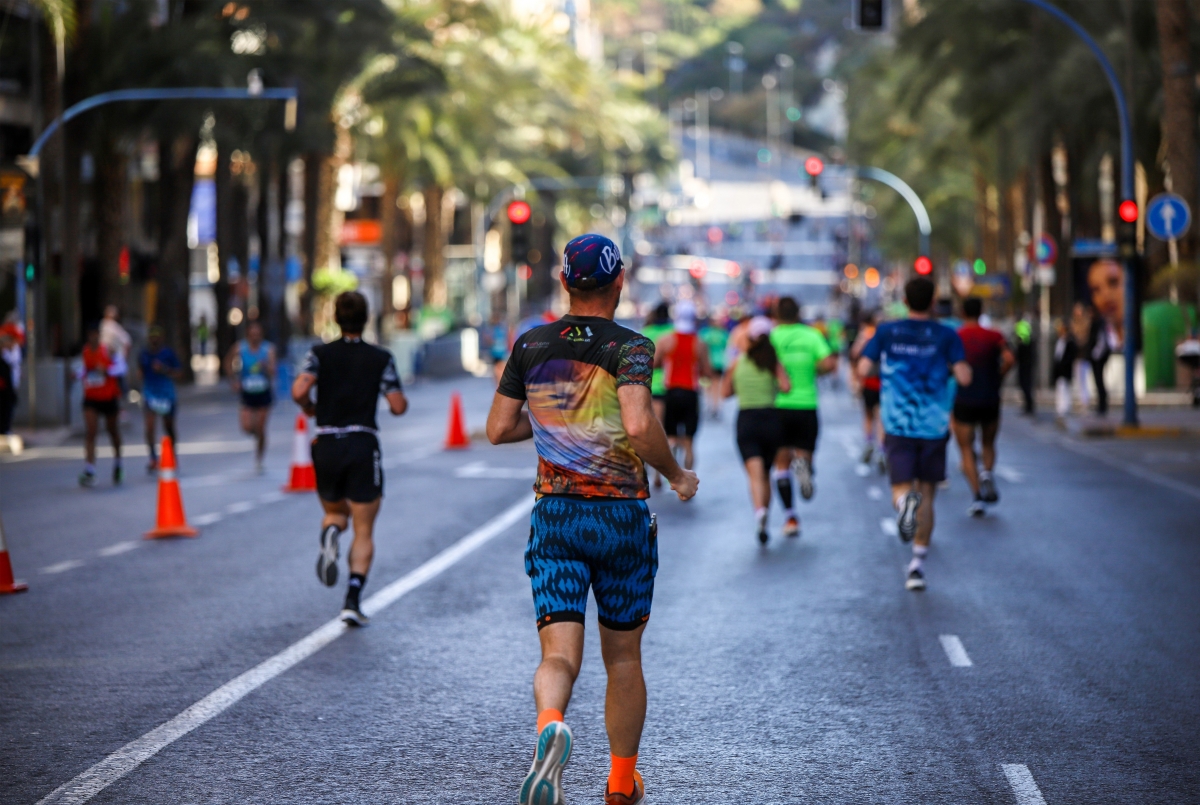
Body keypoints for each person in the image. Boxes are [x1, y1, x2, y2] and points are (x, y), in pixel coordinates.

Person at [486, 234, 698, 805]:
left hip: (554, 514)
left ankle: (549, 724)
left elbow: (498, 427)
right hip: (621, 517)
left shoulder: (531, 343)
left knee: (557, 655)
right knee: (624, 657)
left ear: (564, 282)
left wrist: (561, 426)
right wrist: (676, 474)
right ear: (619, 282)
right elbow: (637, 425)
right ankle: (621, 782)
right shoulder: (631, 348)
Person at [291, 291, 407, 626]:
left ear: (336, 319)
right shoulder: (380, 358)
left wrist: (310, 408)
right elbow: (397, 406)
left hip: (325, 442)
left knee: (334, 513)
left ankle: (330, 533)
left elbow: (300, 390)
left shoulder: (319, 354)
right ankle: (352, 599)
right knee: (364, 528)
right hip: (361, 443)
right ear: (366, 318)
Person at [857, 278, 971, 592]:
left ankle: (905, 502)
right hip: (934, 426)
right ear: (933, 301)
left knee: (901, 488)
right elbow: (964, 376)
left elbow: (864, 369)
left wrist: (891, 369)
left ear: (905, 300)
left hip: (897, 424)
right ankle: (917, 565)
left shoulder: (887, 332)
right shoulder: (947, 335)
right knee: (929, 495)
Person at [769, 296, 837, 538]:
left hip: (779, 405)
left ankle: (790, 518)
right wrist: (812, 368)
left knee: (780, 464)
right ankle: (805, 466)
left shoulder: (772, 336)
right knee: (805, 453)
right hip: (807, 404)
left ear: (777, 314)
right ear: (798, 313)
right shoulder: (811, 335)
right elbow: (830, 364)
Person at [723, 316, 790, 544]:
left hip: (746, 420)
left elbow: (724, 393)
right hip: (771, 420)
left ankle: (759, 511)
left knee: (755, 474)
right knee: (767, 473)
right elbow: (786, 386)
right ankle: (766, 515)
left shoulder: (738, 362)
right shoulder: (773, 362)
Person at [952, 298, 1014, 517]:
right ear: (982, 311)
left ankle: (977, 496)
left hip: (964, 399)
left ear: (961, 312)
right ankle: (987, 472)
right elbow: (1009, 358)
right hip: (990, 397)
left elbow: (949, 365)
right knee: (988, 443)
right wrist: (999, 375)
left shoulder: (956, 336)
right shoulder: (995, 335)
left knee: (966, 448)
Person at [654, 300, 713, 474]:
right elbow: (708, 372)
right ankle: (688, 479)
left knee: (670, 436)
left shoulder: (666, 340)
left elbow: (655, 363)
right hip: (690, 393)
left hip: (671, 392)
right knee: (689, 442)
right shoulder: (700, 343)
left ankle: (666, 468)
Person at [77, 323, 128, 486]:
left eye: (95, 334)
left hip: (108, 397)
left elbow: (121, 368)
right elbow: (86, 370)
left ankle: (118, 463)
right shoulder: (85, 351)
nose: (93, 337)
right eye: (90, 334)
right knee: (91, 432)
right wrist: (77, 375)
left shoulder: (109, 350)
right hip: (91, 397)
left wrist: (107, 371)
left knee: (113, 431)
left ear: (99, 335)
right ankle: (89, 469)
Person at [225, 321, 277, 473]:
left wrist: (266, 366)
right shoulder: (240, 347)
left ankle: (259, 459)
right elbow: (228, 362)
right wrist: (233, 381)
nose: (255, 338)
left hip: (263, 392)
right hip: (247, 392)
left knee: (261, 427)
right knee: (247, 427)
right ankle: (258, 435)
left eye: (257, 335)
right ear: (247, 335)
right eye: (252, 335)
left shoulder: (268, 349)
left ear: (261, 335)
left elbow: (274, 371)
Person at [138, 325, 183, 473]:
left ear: (161, 338)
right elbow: (140, 372)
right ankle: (152, 457)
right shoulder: (144, 354)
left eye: (157, 337)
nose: (154, 340)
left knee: (168, 426)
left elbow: (179, 373)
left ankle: (172, 454)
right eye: (152, 337)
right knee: (149, 426)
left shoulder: (168, 354)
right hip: (150, 394)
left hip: (166, 395)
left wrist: (164, 369)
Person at [641, 303, 673, 489]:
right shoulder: (674, 332)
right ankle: (662, 473)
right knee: (665, 432)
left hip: (648, 384)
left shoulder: (646, 331)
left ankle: (648, 471)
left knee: (647, 429)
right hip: (670, 385)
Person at [849, 310, 884, 468]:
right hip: (883, 382)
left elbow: (855, 353)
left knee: (868, 415)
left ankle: (869, 442)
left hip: (869, 381)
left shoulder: (866, 334)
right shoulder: (885, 336)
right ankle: (882, 450)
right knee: (881, 418)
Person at [699, 315, 729, 419]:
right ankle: (716, 407)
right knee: (717, 385)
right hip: (719, 362)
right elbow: (726, 346)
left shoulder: (705, 334)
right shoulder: (723, 334)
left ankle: (709, 405)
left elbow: (701, 348)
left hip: (707, 363)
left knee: (707, 386)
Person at [1053, 318, 1078, 426]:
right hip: (1059, 371)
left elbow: (1069, 358)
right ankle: (1060, 410)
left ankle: (1063, 410)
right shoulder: (1059, 341)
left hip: (1065, 371)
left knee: (1064, 390)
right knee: (1060, 390)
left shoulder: (1070, 342)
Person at [1014, 316, 1035, 415]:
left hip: (1025, 366)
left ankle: (1029, 407)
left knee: (1026, 385)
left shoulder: (1024, 343)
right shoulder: (1027, 342)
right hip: (1026, 365)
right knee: (1026, 386)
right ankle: (1028, 406)